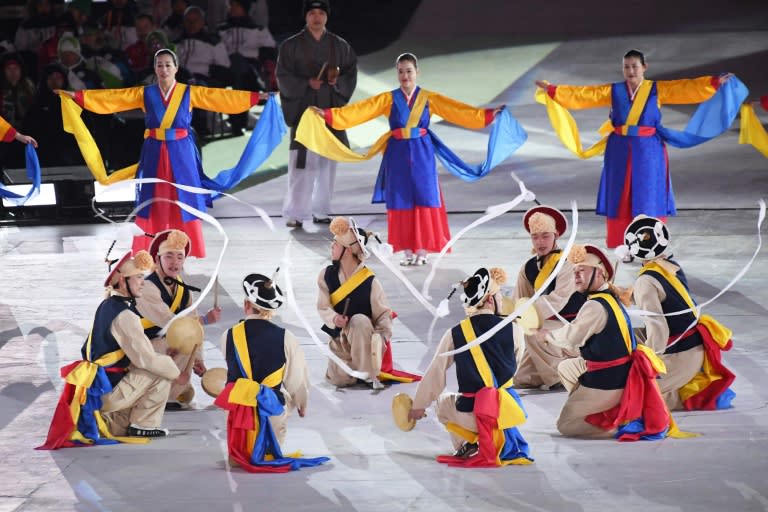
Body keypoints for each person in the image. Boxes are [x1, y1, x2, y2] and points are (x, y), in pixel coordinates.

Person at [56, 48, 267, 258]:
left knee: (183, 197)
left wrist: (257, 97)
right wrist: (76, 96)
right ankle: (149, 246)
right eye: (159, 65)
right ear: (155, 69)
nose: (164, 69)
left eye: (168, 64)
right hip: (154, 150)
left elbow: (221, 97)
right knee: (152, 197)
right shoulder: (145, 93)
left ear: (176, 68)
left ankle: (185, 246)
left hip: (181, 151)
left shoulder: (189, 92)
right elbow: (114, 98)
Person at [306, 52, 504, 265]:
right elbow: (360, 111)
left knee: (424, 196)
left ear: (417, 72)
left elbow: (457, 111)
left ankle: (422, 249)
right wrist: (328, 115)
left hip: (422, 152)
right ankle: (407, 249)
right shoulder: (387, 99)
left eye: (409, 71)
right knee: (401, 199)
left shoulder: (429, 98)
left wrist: (489, 115)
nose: (405, 75)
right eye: (400, 71)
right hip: (397, 154)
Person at [535, 49, 736, 250]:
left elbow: (684, 88)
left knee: (649, 193)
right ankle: (621, 242)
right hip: (619, 149)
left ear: (644, 68)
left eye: (634, 66)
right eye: (626, 66)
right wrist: (553, 90)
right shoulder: (614, 91)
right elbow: (585, 95)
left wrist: (714, 82)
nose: (630, 70)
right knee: (620, 193)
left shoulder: (657, 89)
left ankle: (650, 243)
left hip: (649, 150)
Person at [39, 249, 181, 450]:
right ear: (123, 281)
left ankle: (109, 423)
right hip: (106, 391)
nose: (143, 282)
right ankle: (143, 425)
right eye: (139, 277)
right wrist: (176, 372)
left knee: (154, 367)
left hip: (94, 388)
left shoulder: (108, 305)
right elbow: (146, 360)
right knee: (160, 373)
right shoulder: (125, 315)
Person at [534, 244, 670, 440]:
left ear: (599, 274)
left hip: (610, 378)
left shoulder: (595, 305)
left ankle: (620, 422)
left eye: (582, 271)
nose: (577, 276)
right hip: (619, 372)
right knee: (566, 367)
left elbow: (572, 336)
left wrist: (547, 335)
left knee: (566, 425)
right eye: (575, 272)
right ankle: (595, 404)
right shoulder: (609, 297)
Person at [408, 267, 533, 467]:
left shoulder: (455, 333)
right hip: (506, 415)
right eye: (499, 295)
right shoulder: (515, 328)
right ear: (491, 300)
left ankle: (467, 444)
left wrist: (418, 406)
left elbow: (436, 373)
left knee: (443, 402)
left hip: (474, 413)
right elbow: (514, 365)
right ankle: (493, 440)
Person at [214, 272, 328, 472]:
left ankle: (240, 451)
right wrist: (301, 403)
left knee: (238, 389)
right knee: (284, 394)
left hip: (239, 415)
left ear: (246, 304)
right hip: (271, 408)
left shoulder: (228, 335)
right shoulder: (286, 337)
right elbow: (297, 380)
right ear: (271, 310)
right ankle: (266, 449)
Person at [624, 215, 735, 411]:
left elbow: (658, 329)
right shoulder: (670, 266)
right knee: (626, 333)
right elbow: (668, 296)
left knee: (629, 395)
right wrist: (627, 294)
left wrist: (649, 362)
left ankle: (689, 391)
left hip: (681, 355)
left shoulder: (645, 282)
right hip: (695, 347)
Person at [277, 0, 357, 228]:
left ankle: (322, 210)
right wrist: (305, 83)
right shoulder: (290, 46)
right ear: (305, 17)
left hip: (329, 109)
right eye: (312, 13)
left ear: (327, 17)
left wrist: (337, 81)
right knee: (302, 163)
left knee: (326, 162)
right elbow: (283, 76)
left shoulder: (339, 45)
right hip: (304, 111)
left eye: (321, 13)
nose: (317, 17)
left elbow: (350, 71)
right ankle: (295, 212)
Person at [134, 229, 221, 410]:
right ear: (158, 260)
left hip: (162, 341)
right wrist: (205, 320)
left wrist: (199, 361)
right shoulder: (147, 287)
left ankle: (173, 390)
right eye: (169, 256)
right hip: (141, 345)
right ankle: (159, 393)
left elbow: (193, 326)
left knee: (190, 342)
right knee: (182, 342)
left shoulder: (182, 289)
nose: (175, 262)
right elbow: (171, 322)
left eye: (180, 257)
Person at [510, 205, 585, 390]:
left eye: (545, 236)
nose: (540, 242)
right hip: (549, 327)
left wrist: (528, 313)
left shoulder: (567, 264)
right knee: (520, 378)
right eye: (535, 237)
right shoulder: (528, 268)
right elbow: (517, 301)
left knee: (533, 334)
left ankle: (558, 376)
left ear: (556, 235)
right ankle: (550, 369)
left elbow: (558, 299)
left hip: (574, 328)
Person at [317, 216, 392, 389]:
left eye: (336, 244)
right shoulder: (325, 275)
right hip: (339, 338)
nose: (332, 246)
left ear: (348, 251)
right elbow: (323, 306)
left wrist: (379, 339)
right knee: (340, 380)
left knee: (359, 320)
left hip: (363, 338)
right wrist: (334, 318)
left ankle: (367, 370)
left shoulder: (370, 280)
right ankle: (352, 368)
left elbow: (383, 314)